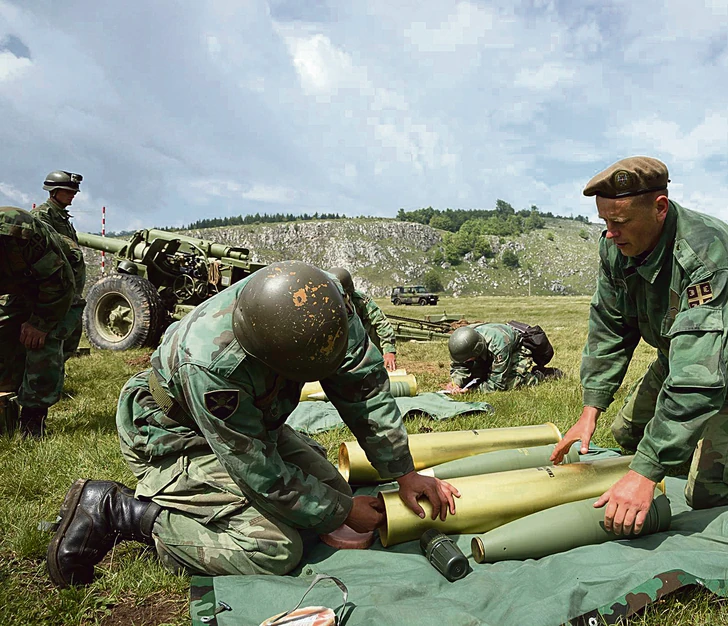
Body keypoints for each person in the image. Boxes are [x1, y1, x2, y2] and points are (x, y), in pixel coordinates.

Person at [46, 261, 459, 587]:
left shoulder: (319, 305)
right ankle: (122, 511)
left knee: (331, 491)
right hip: (173, 436)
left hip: (254, 424)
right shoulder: (211, 366)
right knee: (274, 548)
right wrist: (343, 510)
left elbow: (362, 388)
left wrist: (403, 472)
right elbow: (259, 472)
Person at [549, 156, 728, 537]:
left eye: (620, 222)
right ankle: (710, 436)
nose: (610, 233)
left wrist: (644, 473)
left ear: (660, 208)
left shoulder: (706, 255)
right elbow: (610, 325)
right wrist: (590, 410)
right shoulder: (614, 246)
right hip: (681, 353)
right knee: (628, 435)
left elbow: (699, 380)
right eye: (604, 222)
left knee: (711, 493)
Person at [0, 207, 77, 437]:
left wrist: (40, 323)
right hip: (19, 283)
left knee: (41, 341)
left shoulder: (19, 231)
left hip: (62, 274)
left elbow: (61, 284)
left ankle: (34, 418)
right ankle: (6, 408)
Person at [32, 171, 87, 362]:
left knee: (68, 339)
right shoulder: (42, 216)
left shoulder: (62, 217)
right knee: (50, 341)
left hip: (68, 291)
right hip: (55, 290)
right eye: (68, 191)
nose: (73, 195)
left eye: (74, 192)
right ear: (53, 191)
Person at [444, 324, 561, 394]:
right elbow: (459, 365)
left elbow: (496, 384)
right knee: (478, 375)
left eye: (468, 359)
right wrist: (456, 383)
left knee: (510, 383)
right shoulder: (464, 342)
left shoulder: (498, 345)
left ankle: (542, 375)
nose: (465, 362)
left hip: (517, 349)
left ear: (477, 351)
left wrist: (472, 390)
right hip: (488, 352)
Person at [328, 267, 398, 371]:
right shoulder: (324, 303)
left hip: (364, 346)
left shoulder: (361, 301)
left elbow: (381, 323)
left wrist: (389, 351)